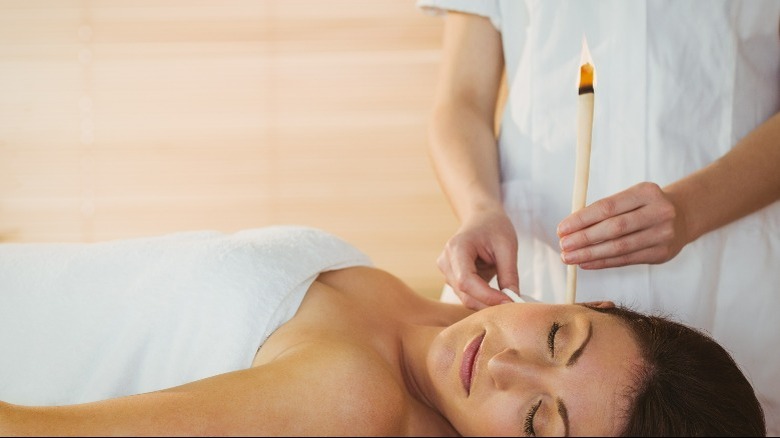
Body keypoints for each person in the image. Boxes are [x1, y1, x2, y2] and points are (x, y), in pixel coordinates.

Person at [0, 226, 766, 435]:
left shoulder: (352, 406)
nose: (504, 363)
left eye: (538, 423)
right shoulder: (441, 328)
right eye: (560, 340)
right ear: (591, 304)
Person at [417, 0, 780, 432]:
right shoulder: (487, 356)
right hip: (529, 269)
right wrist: (478, 206)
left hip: (731, 264)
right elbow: (461, 100)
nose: (502, 366)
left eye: (558, 339)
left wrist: (692, 208)